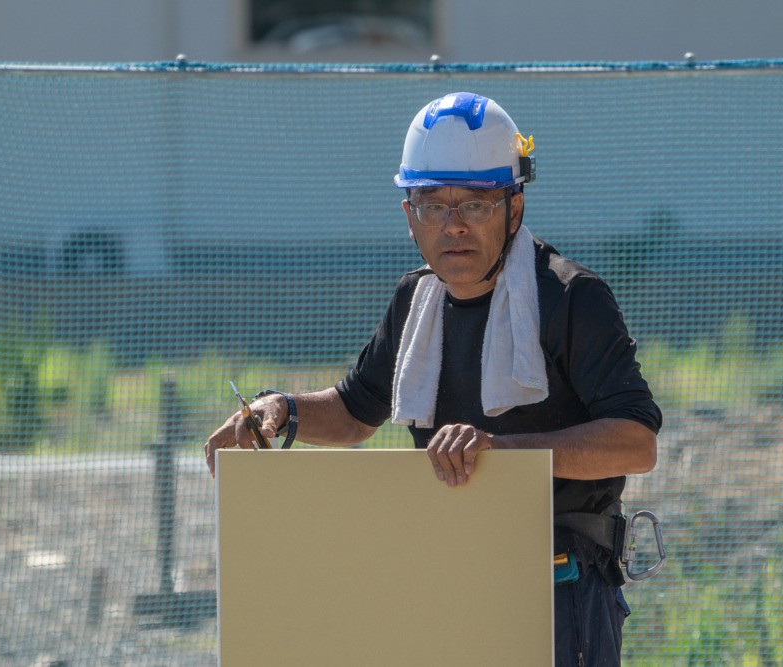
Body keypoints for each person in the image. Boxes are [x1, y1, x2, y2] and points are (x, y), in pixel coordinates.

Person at [203, 92, 661, 666]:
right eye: (432, 205)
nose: (453, 226)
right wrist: (279, 408)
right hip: (442, 578)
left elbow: (636, 442)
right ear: (409, 218)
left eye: (475, 204)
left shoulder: (570, 298)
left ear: (514, 209)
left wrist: (502, 451)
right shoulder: (415, 300)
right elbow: (353, 411)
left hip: (560, 590)